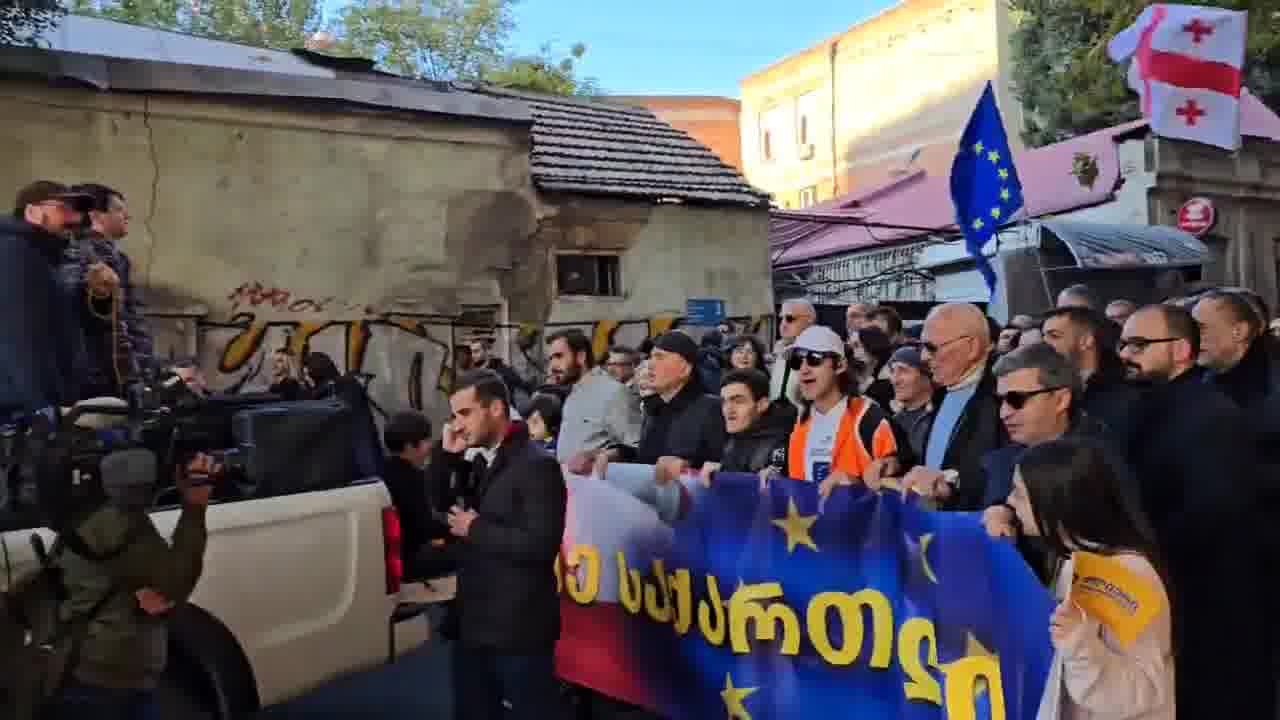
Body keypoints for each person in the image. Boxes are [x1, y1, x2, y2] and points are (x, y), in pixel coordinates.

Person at [1117, 304, 1270, 719]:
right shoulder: (1145, 407)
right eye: (1123, 342)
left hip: (1210, 606)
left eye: (1139, 344)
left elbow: (1214, 511)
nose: (1125, 354)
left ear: (1181, 349)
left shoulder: (1211, 417)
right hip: (1165, 594)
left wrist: (1142, 553)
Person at [426, 370, 566, 720]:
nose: (457, 425)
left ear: (496, 409)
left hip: (519, 629)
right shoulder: (475, 459)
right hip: (472, 624)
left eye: (465, 413)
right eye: (454, 415)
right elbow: (439, 510)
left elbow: (540, 545)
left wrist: (476, 529)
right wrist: (446, 458)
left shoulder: (538, 466)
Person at [45, 449, 220, 720]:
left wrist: (155, 595)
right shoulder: (120, 526)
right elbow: (176, 580)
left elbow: (155, 592)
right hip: (109, 682)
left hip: (88, 668)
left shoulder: (92, 517)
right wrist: (195, 506)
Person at [1007, 438, 1173, 720]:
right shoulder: (1072, 557)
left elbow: (1142, 691)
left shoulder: (1127, 575)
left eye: (1019, 493)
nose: (1009, 501)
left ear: (1054, 499)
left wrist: (1079, 645)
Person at [0, 181, 115, 415]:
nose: (75, 219)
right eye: (65, 208)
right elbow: (18, 336)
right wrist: (40, 407)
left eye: (78, 210)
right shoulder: (14, 253)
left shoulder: (49, 257)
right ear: (33, 212)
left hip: (52, 396)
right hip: (20, 405)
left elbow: (78, 327)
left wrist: (100, 296)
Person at [900, 303, 1007, 510]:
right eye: (921, 347)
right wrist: (897, 463)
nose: (923, 357)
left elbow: (1009, 466)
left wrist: (954, 482)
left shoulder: (1004, 394)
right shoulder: (942, 390)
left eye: (931, 347)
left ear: (971, 347)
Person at [780, 326, 898, 498]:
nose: (804, 369)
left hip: (857, 523)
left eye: (814, 359)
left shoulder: (870, 418)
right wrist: (773, 476)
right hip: (807, 523)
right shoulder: (796, 422)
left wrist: (859, 483)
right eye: (796, 362)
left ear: (840, 365)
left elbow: (900, 484)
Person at [61, 184, 154, 398]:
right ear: (96, 215)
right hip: (104, 378)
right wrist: (135, 377)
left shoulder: (108, 256)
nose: (127, 216)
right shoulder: (94, 258)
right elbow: (116, 324)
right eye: (119, 209)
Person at [547, 329, 643, 468]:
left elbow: (636, 447)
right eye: (551, 359)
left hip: (601, 486)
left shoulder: (613, 392)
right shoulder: (573, 392)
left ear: (581, 356)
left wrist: (597, 455)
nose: (553, 366)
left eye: (559, 356)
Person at [382, 411, 451, 581]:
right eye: (426, 441)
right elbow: (424, 527)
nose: (430, 446)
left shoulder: (382, 470)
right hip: (409, 561)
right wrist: (459, 531)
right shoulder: (411, 478)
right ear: (410, 447)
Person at [701, 368, 792, 476]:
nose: (728, 410)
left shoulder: (781, 444)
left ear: (762, 405)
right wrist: (722, 468)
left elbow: (778, 470)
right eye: (724, 402)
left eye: (738, 401)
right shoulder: (734, 438)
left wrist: (775, 474)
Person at [771, 299, 816, 410]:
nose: (783, 324)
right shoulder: (778, 351)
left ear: (809, 320)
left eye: (790, 318)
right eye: (781, 319)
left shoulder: (820, 354)